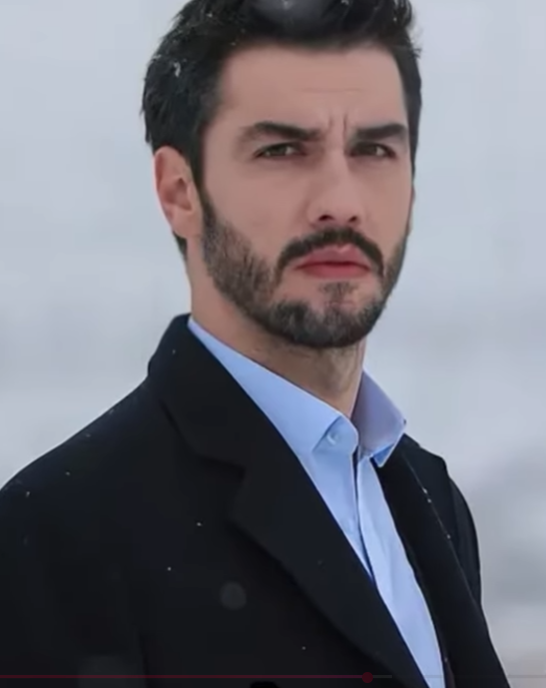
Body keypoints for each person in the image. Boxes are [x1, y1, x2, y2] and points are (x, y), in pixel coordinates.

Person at [0, 1, 510, 686]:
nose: (341, 201)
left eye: (374, 150)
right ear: (180, 191)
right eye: (282, 151)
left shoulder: (431, 495)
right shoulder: (57, 537)